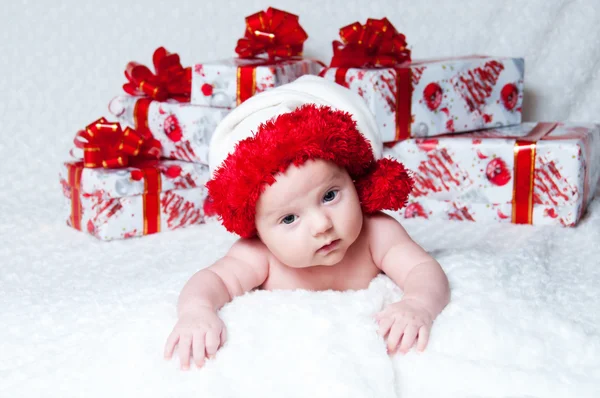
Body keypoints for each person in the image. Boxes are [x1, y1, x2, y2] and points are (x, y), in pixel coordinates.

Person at [164, 76, 450, 370]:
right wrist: (197, 311)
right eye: (288, 218)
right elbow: (213, 280)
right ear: (257, 231)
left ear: (354, 182)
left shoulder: (377, 233)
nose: (321, 225)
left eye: (329, 196)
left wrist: (418, 303)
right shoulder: (260, 256)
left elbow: (422, 269)